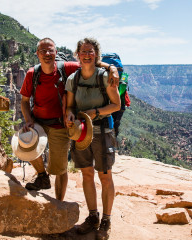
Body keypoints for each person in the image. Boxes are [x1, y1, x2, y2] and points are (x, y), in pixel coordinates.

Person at [20, 37, 119, 201]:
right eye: (43, 51)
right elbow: (24, 101)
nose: (47, 53)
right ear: (37, 54)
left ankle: (59, 203)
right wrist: (28, 120)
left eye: (50, 50)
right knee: (25, 146)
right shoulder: (32, 74)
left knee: (59, 169)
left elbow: (88, 62)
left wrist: (111, 68)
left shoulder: (66, 68)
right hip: (38, 122)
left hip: (59, 125)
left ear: (56, 53)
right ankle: (42, 175)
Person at [65, 37, 120, 240]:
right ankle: (93, 216)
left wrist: (95, 112)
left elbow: (116, 104)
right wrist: (69, 115)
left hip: (102, 130)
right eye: (83, 51)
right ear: (77, 55)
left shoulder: (104, 76)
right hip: (81, 133)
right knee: (87, 175)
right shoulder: (73, 79)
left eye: (90, 52)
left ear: (96, 55)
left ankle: (106, 219)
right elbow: (69, 106)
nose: (86, 55)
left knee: (105, 176)